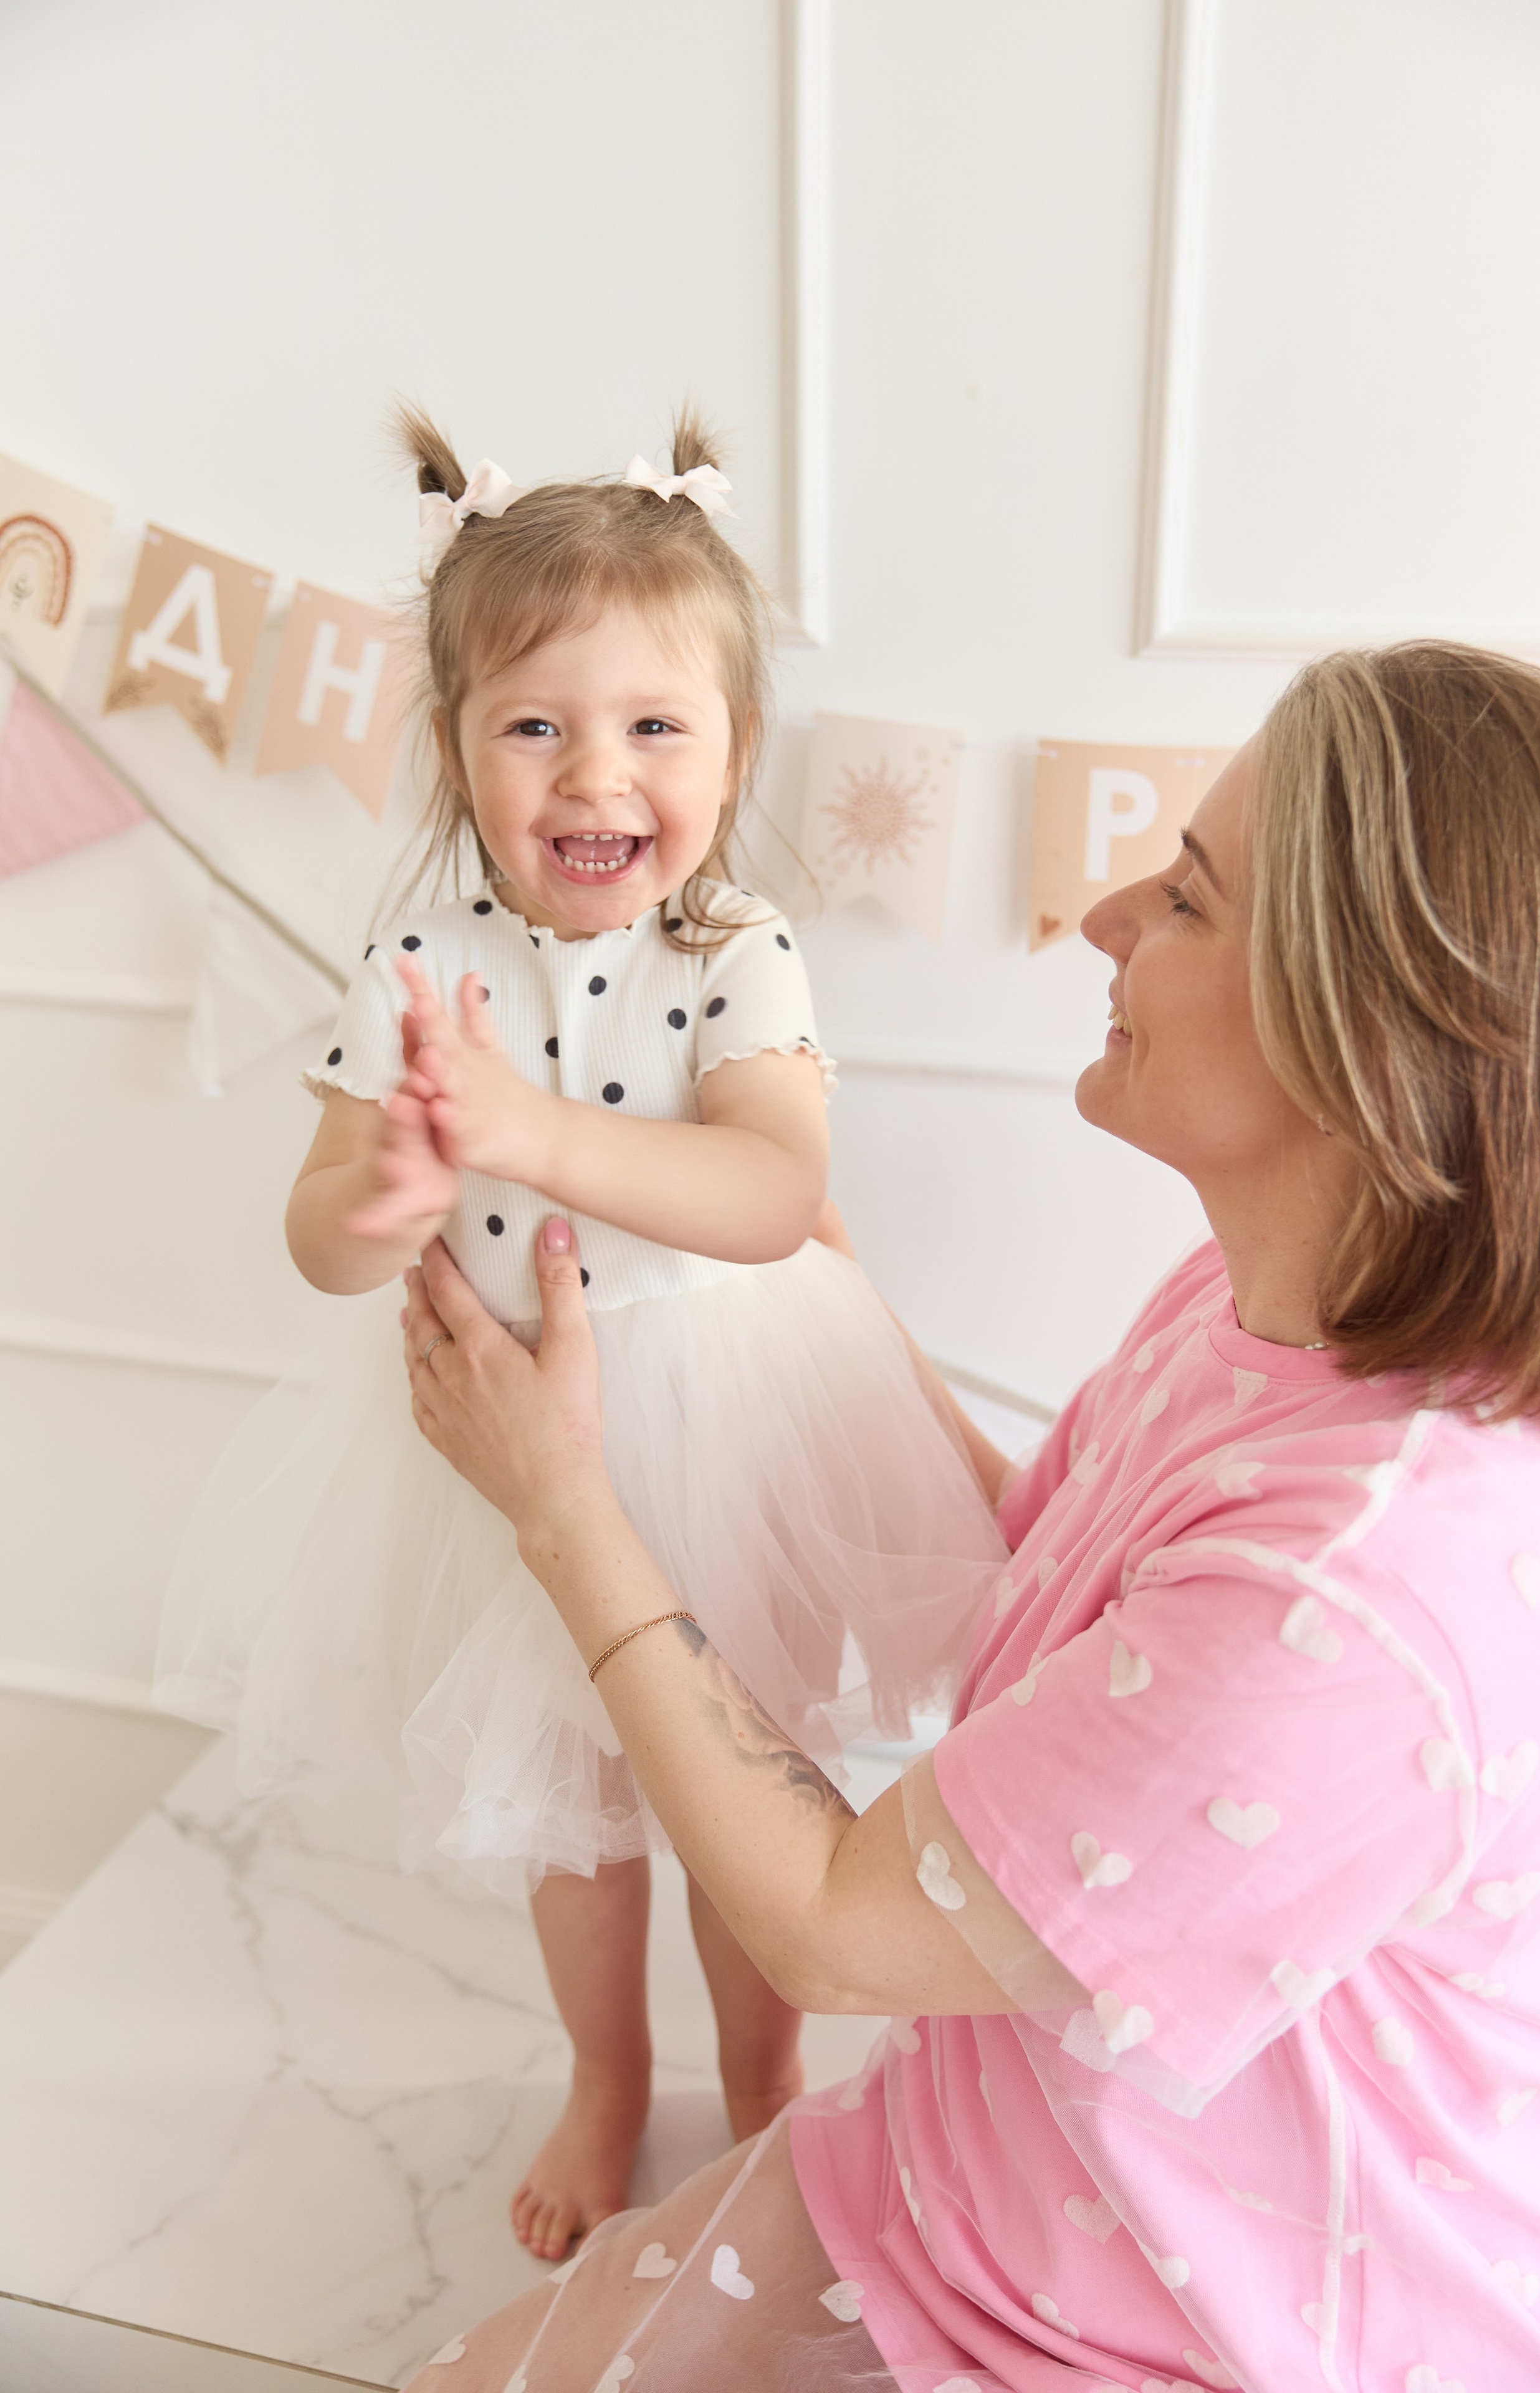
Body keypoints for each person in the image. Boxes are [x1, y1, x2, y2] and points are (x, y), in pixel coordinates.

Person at [398, 642, 1540, 2392]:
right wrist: (827, 1292)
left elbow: (829, 1920)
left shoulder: (1355, 1598)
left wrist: (561, 1505)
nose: (1105, 916)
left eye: (1187, 896)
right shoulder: (1260, 1302)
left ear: (1366, 1042)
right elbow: (1029, 1575)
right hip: (999, 2181)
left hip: (1191, 2329)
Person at [155, 409, 1007, 2266]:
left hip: (733, 1425)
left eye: (651, 726)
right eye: (532, 723)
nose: (589, 772)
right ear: (455, 748)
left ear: (732, 749)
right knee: (572, 1817)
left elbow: (772, 1192)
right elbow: (315, 1227)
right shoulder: (416, 967)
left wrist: (528, 1138)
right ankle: (606, 2072)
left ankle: (766, 2086)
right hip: (507, 1442)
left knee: (742, 1790)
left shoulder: (739, 954)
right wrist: (376, 1202)